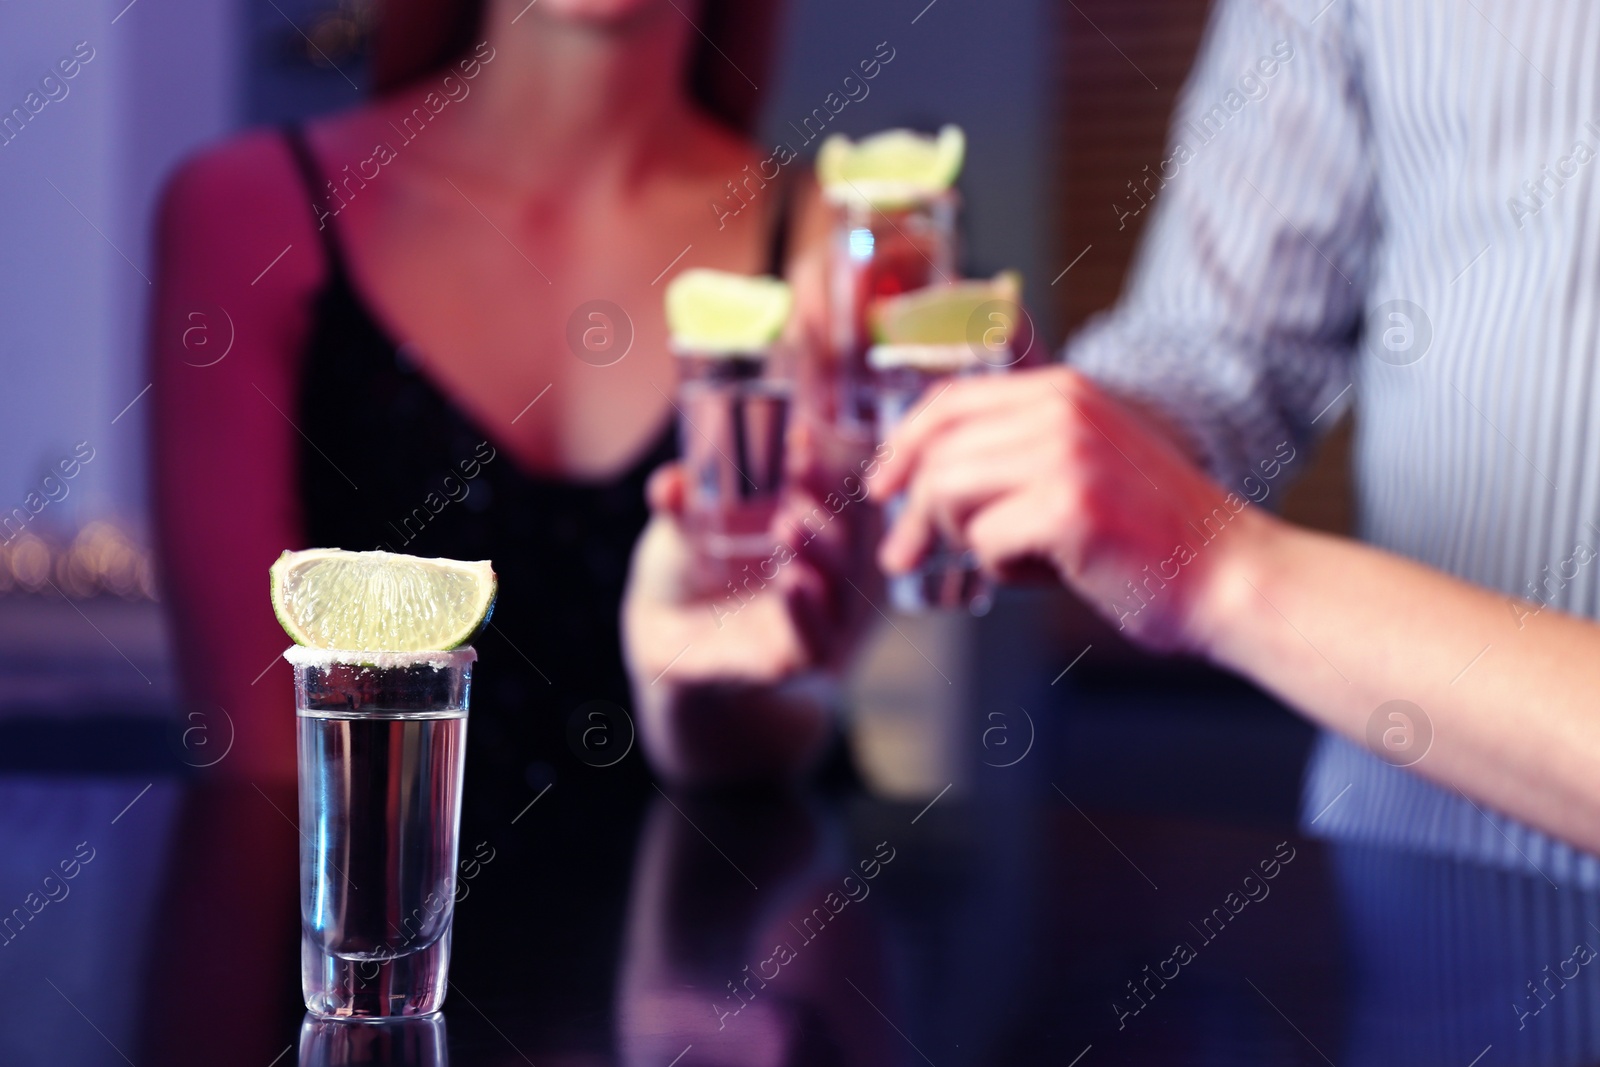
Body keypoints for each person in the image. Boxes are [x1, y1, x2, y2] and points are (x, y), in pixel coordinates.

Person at [869, 0, 1600, 875]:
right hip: (1417, 888)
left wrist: (1214, 563)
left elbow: (1209, 549)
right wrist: (1061, 445)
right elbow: (1218, 352)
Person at [149, 0, 845, 793]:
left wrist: (705, 700)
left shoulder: (838, 239)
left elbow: (807, 699)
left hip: (742, 897)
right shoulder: (246, 212)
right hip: (369, 905)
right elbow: (262, 784)